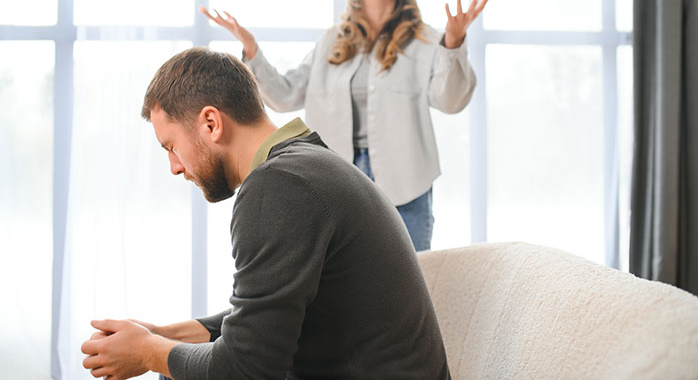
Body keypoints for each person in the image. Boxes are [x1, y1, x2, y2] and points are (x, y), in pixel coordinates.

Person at [80, 47, 452, 380]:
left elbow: (247, 369)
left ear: (211, 123)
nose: (175, 167)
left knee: (173, 369)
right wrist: (162, 336)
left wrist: (148, 352)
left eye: (172, 146)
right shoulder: (306, 165)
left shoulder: (278, 185)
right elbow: (265, 320)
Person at [202, 0, 489, 251]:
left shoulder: (427, 39)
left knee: (411, 276)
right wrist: (252, 50)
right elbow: (285, 96)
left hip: (406, 180)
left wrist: (454, 43)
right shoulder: (332, 41)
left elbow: (451, 100)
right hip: (335, 178)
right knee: (340, 278)